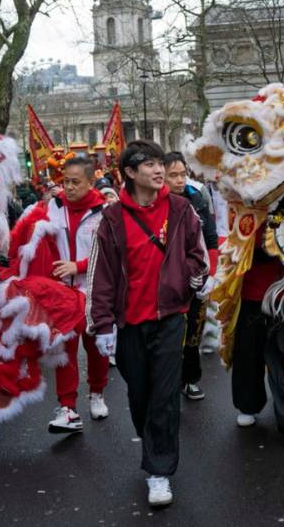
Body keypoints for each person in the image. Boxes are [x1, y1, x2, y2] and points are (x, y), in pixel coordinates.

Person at [86, 139, 208, 507]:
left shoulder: (183, 209)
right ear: (130, 173)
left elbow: (199, 257)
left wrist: (183, 279)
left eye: (161, 163)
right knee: (139, 394)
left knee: (165, 396)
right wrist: (102, 325)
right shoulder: (111, 219)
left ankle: (159, 471)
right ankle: (152, 439)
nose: (159, 170)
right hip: (128, 325)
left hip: (170, 319)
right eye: (149, 164)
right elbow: (101, 276)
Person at [5, 156, 111, 433]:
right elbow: (32, 238)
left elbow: (114, 255)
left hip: (95, 292)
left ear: (91, 181)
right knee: (64, 349)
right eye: (66, 182)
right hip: (61, 293)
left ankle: (97, 392)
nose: (70, 187)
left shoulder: (107, 211)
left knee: (96, 348)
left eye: (76, 182)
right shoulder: (52, 206)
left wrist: (79, 266)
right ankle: (68, 408)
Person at [163, 151, 218, 401]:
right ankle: (169, 381)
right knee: (170, 335)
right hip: (167, 283)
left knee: (194, 331)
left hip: (198, 277)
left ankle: (190, 379)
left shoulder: (198, 197)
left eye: (182, 174)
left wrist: (212, 275)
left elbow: (211, 238)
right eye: (172, 175)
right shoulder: (153, 203)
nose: (179, 180)